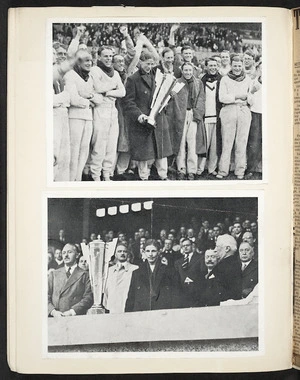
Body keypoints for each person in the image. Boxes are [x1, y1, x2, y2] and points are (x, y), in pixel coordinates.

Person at [123, 51, 172, 180]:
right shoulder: (133, 79)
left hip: (158, 117)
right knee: (144, 151)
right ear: (140, 62)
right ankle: (143, 176)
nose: (149, 67)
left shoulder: (157, 76)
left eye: (151, 64)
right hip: (143, 120)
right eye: (146, 64)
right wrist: (139, 115)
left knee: (161, 149)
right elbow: (128, 102)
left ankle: (163, 175)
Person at [89, 46, 126, 181]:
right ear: (99, 57)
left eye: (110, 56)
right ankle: (95, 175)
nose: (109, 59)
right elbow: (97, 87)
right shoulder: (95, 70)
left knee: (111, 145)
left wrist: (107, 92)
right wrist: (112, 89)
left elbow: (122, 92)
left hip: (112, 109)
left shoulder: (115, 73)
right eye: (106, 56)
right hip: (100, 109)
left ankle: (106, 174)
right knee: (99, 144)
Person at [63, 50, 100, 181]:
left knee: (84, 150)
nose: (89, 63)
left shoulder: (90, 77)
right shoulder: (70, 75)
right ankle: (71, 179)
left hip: (88, 117)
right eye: (86, 61)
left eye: (90, 60)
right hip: (75, 117)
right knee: (74, 150)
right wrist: (88, 102)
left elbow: (99, 97)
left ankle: (78, 179)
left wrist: (89, 96)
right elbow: (73, 99)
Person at [216, 54, 253, 180]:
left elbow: (251, 99)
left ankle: (240, 170)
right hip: (228, 110)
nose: (237, 68)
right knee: (227, 141)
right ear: (231, 65)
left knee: (241, 142)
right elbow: (222, 97)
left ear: (242, 65)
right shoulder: (225, 79)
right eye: (235, 66)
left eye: (239, 66)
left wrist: (245, 97)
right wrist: (238, 96)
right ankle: (223, 170)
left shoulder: (247, 79)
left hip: (244, 111)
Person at [171, 62, 206, 180]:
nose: (188, 73)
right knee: (181, 142)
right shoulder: (177, 83)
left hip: (193, 114)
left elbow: (201, 99)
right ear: (182, 70)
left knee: (192, 142)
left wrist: (197, 114)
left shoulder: (198, 83)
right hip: (181, 115)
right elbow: (173, 99)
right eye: (185, 70)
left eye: (190, 70)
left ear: (193, 71)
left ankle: (192, 169)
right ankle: (181, 168)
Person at [125, 239, 182, 312]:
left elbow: (176, 295)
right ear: (144, 252)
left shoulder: (169, 271)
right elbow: (131, 297)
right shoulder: (137, 273)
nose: (150, 254)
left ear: (159, 252)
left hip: (163, 313)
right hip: (141, 313)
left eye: (153, 251)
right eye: (148, 251)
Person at [48, 243, 93, 317]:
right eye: (64, 253)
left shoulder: (84, 274)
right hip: (55, 317)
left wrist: (72, 312)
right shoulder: (54, 274)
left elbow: (88, 298)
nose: (66, 255)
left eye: (69, 252)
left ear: (77, 255)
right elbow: (46, 296)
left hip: (74, 318)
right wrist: (53, 311)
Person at [200, 58, 222, 176]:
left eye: (215, 65)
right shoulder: (201, 81)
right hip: (205, 116)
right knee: (204, 143)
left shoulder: (222, 80)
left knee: (215, 144)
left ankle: (212, 168)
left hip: (217, 117)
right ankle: (201, 167)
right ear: (206, 67)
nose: (213, 68)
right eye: (210, 65)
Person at [103, 244, 138, 313]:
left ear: (128, 254)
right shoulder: (109, 270)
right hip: (112, 308)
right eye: (119, 251)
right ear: (115, 254)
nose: (122, 253)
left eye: (124, 251)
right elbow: (106, 291)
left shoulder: (135, 269)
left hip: (127, 307)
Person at [212, 234, 242, 301]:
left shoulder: (226, 266)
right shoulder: (232, 264)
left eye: (217, 247)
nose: (214, 250)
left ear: (227, 248)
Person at [174, 238, 203, 307]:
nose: (185, 247)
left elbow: (202, 273)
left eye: (187, 245)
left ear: (192, 246)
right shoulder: (178, 262)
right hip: (183, 293)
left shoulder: (200, 258)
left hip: (197, 292)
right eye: (183, 246)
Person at [245, 61, 262, 179]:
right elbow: (249, 101)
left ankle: (262, 168)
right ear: (258, 70)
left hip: (268, 114)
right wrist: (252, 92)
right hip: (255, 113)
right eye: (261, 69)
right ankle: (251, 168)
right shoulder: (253, 83)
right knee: (254, 142)